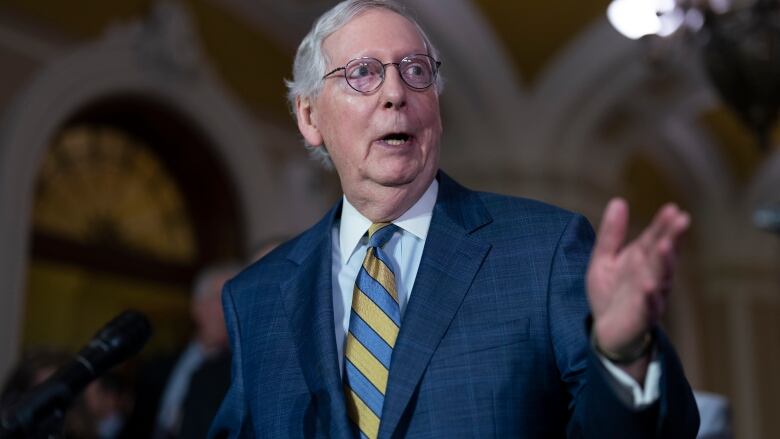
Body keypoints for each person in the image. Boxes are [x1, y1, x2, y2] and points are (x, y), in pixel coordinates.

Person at [210, 1, 700, 437]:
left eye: (416, 71)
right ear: (309, 117)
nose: (396, 93)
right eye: (363, 73)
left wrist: (623, 356)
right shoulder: (257, 296)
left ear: (435, 108)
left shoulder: (543, 251)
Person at [123, 263, 240, 439]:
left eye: (235, 300)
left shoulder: (239, 374)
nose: (227, 309)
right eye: (219, 298)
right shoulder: (156, 367)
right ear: (196, 306)